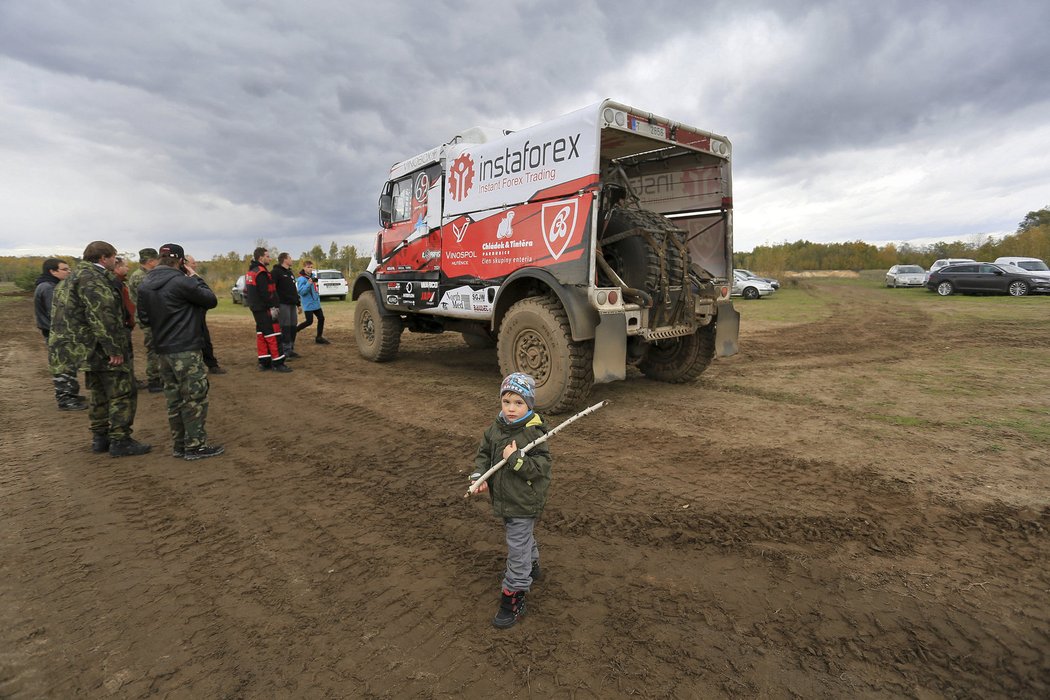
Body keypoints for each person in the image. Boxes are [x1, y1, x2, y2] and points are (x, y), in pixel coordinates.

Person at [49, 240, 151, 457]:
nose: (116, 260)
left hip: (84, 348)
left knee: (98, 392)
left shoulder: (71, 279)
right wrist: (113, 349)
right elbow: (103, 316)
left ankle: (100, 438)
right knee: (122, 392)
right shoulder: (93, 280)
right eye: (114, 256)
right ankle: (120, 440)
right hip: (100, 347)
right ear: (104, 258)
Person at [468, 372, 551, 629]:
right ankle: (533, 563)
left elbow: (540, 468)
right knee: (522, 537)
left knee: (517, 547)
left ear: (529, 404)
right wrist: (479, 475)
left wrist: (516, 460)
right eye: (507, 402)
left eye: (518, 403)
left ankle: (513, 595)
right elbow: (484, 454)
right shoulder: (496, 428)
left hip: (524, 500)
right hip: (504, 498)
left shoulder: (534, 433)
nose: (511, 409)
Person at [137, 244, 224, 461]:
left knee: (174, 398)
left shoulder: (145, 283)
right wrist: (195, 276)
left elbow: (144, 319)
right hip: (186, 348)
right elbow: (210, 299)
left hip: (162, 350)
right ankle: (195, 446)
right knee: (194, 397)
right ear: (181, 261)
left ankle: (179, 444)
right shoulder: (181, 281)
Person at [34, 258, 85, 411]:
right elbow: (56, 313)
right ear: (53, 271)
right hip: (58, 332)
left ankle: (71, 394)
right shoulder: (49, 288)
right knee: (63, 366)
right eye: (64, 269)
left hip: (59, 332)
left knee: (68, 364)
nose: (69, 272)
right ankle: (66, 400)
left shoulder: (50, 285)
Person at [244, 247, 291, 372]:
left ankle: (264, 362)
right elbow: (266, 293)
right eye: (267, 256)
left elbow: (246, 292)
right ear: (261, 258)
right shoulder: (261, 272)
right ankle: (278, 363)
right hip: (266, 309)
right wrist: (273, 306)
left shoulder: (251, 272)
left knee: (262, 334)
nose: (269, 258)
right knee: (273, 334)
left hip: (256, 309)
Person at [127, 248, 163, 392]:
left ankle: (157, 377)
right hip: (149, 318)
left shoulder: (143, 274)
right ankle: (154, 380)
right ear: (150, 261)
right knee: (153, 349)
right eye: (157, 259)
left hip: (149, 317)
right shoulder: (142, 277)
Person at [185, 255, 226, 375]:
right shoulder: (184, 280)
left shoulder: (193, 279)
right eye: (193, 263)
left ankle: (212, 365)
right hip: (190, 319)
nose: (195, 265)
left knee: (206, 341)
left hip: (200, 315)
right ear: (186, 264)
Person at [272, 252, 300, 358]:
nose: (292, 260)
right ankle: (284, 350)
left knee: (293, 327)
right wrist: (275, 304)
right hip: (283, 305)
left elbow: (293, 290)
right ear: (284, 260)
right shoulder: (276, 272)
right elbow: (272, 289)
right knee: (285, 328)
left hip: (292, 304)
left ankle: (291, 348)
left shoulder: (290, 273)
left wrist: (298, 303)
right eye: (290, 258)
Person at [295, 260, 330, 344]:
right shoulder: (301, 279)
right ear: (304, 268)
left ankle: (319, 337)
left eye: (311, 267)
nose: (310, 269)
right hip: (308, 304)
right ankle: (294, 330)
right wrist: (309, 283)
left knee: (321, 318)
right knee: (309, 321)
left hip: (316, 303)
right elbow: (301, 292)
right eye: (308, 267)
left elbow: (315, 289)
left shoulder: (313, 276)